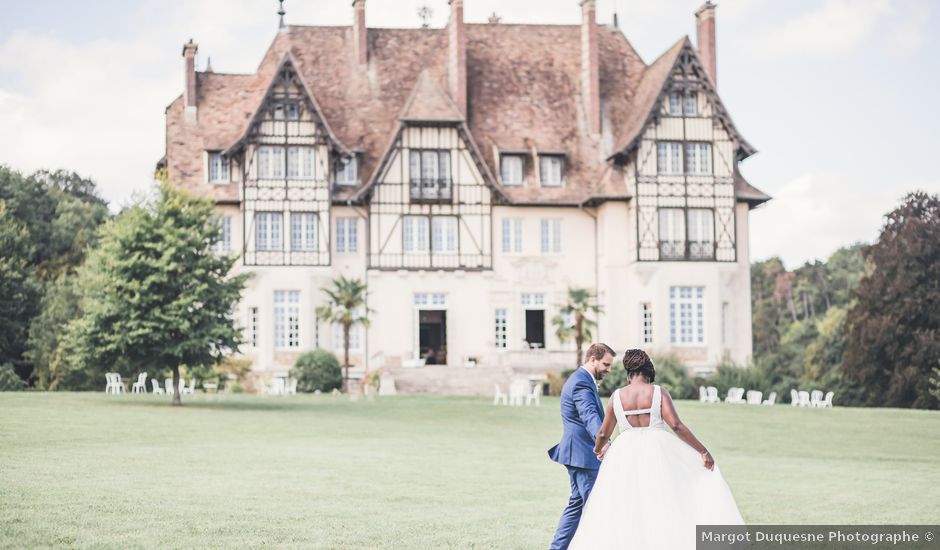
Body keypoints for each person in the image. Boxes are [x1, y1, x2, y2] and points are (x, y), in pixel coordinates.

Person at [568, 349, 745, 549]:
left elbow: (602, 434)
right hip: (657, 451)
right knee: (662, 500)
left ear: (629, 372)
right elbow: (676, 425)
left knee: (626, 505)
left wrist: (598, 449)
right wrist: (702, 451)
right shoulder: (658, 392)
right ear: (647, 371)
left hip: (625, 455)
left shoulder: (616, 397)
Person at [547, 343, 615, 550]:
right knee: (595, 506)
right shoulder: (581, 383)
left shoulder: (583, 379)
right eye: (605, 364)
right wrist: (602, 442)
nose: (609, 369)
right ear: (592, 359)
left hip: (578, 453)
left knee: (576, 505)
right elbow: (589, 415)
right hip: (583, 454)